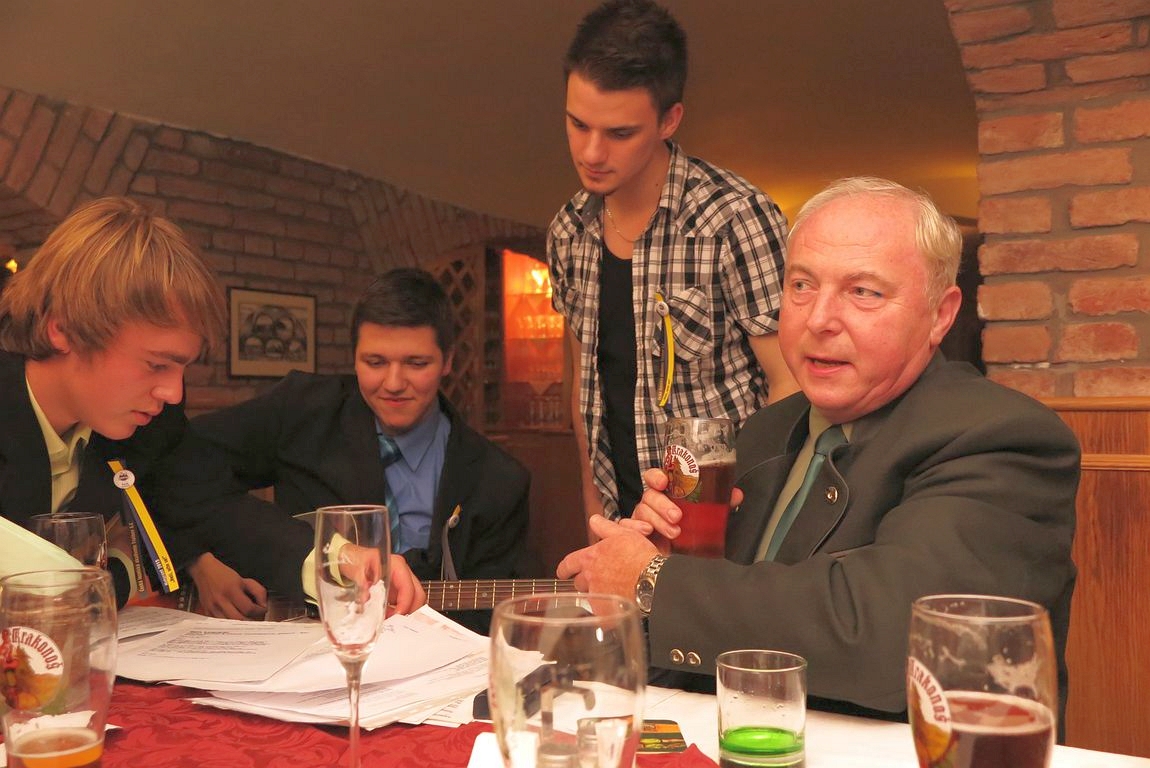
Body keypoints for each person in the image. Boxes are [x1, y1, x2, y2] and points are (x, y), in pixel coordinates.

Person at [557, 177, 1080, 717]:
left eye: (864, 292)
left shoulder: (1001, 439)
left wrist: (657, 582)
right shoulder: (763, 433)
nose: (819, 319)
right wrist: (653, 577)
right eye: (801, 285)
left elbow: (892, 638)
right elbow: (707, 656)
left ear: (940, 315)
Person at [156, 268, 529, 630]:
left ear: (448, 361)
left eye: (416, 364)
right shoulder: (302, 410)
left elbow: (486, 622)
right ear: (353, 357)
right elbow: (170, 462)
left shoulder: (498, 480)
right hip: (289, 643)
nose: (393, 383)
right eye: (375, 362)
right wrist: (198, 559)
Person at [548, 0, 798, 525]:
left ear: (669, 120)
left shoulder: (733, 218)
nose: (591, 152)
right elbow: (585, 392)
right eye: (577, 124)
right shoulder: (568, 232)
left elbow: (790, 384)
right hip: (621, 527)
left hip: (721, 528)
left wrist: (752, 521)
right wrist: (595, 515)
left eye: (619, 133)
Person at [0, 197, 225, 595]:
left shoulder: (151, 422)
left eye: (183, 368)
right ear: (63, 329)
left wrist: (332, 558)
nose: (173, 393)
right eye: (157, 364)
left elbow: (214, 507)